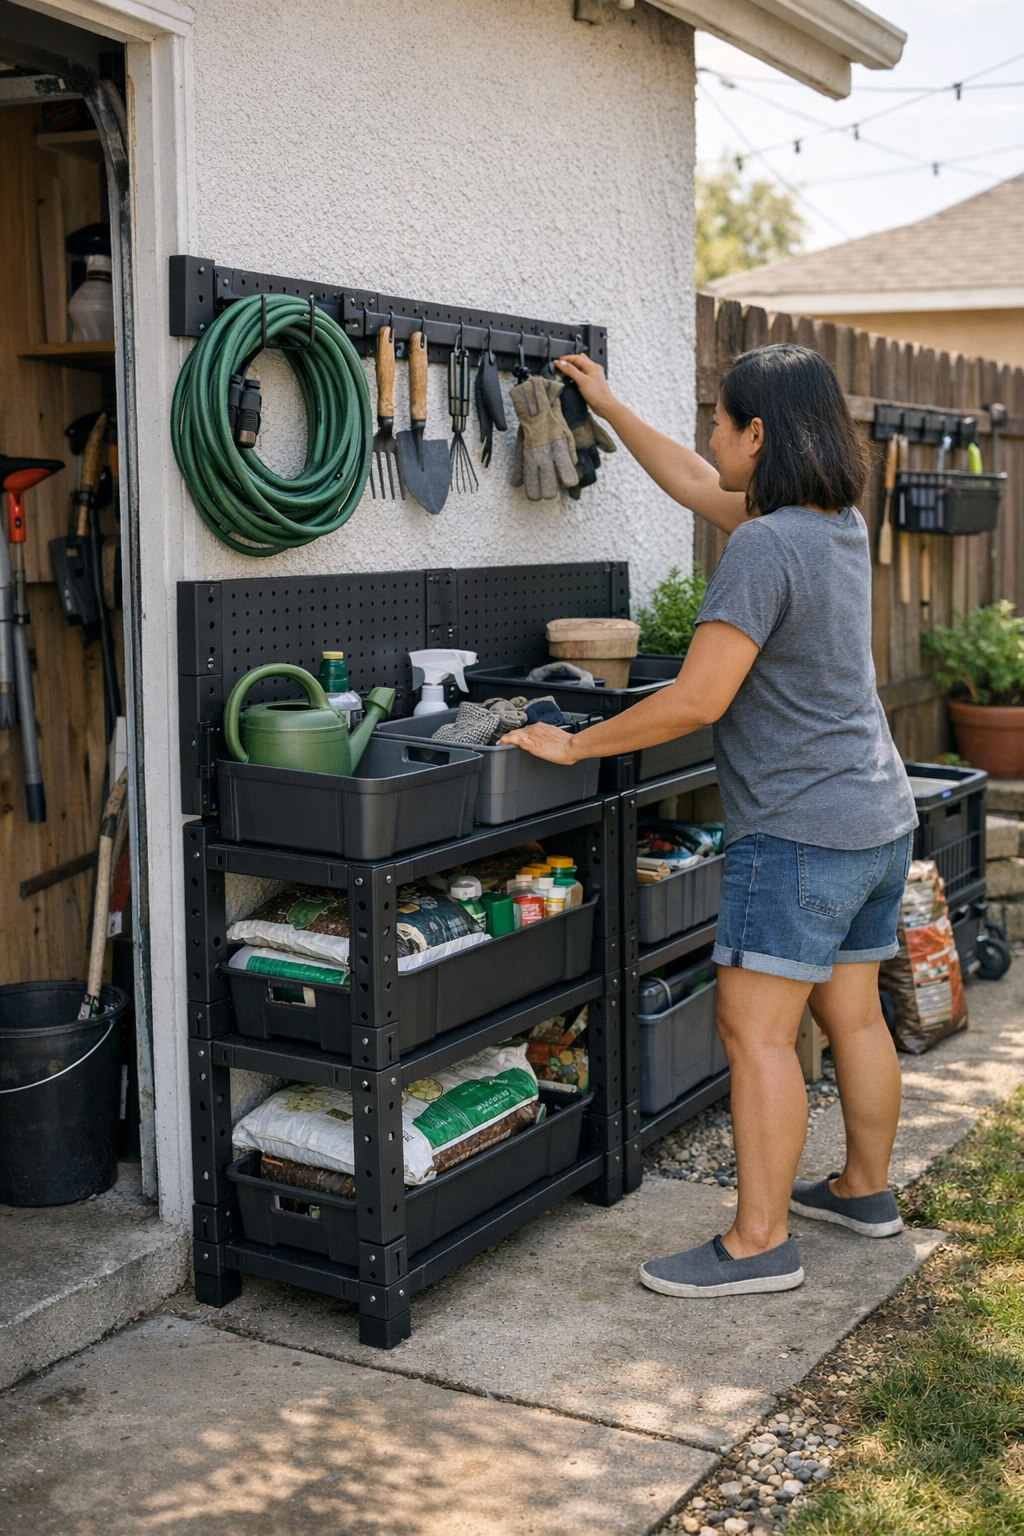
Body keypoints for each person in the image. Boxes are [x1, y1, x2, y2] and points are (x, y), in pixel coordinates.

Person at [501, 343, 918, 1299]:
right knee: (852, 1014)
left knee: (756, 1032)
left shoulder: (763, 547)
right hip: (876, 815)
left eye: (721, 422)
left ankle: (759, 1243)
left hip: (803, 831)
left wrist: (572, 744)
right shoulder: (832, 523)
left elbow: (698, 699)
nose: (711, 440)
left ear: (759, 434)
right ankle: (863, 1190)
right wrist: (607, 406)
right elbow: (694, 482)